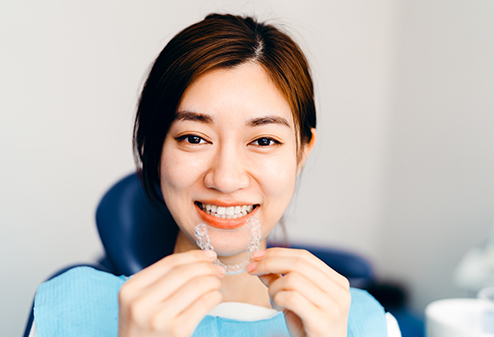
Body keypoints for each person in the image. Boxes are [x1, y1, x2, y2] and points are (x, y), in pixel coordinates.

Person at [31, 13, 401, 337]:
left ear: (302, 152)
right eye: (194, 138)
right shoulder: (66, 310)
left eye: (263, 140)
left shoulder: (365, 323)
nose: (225, 179)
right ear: (155, 150)